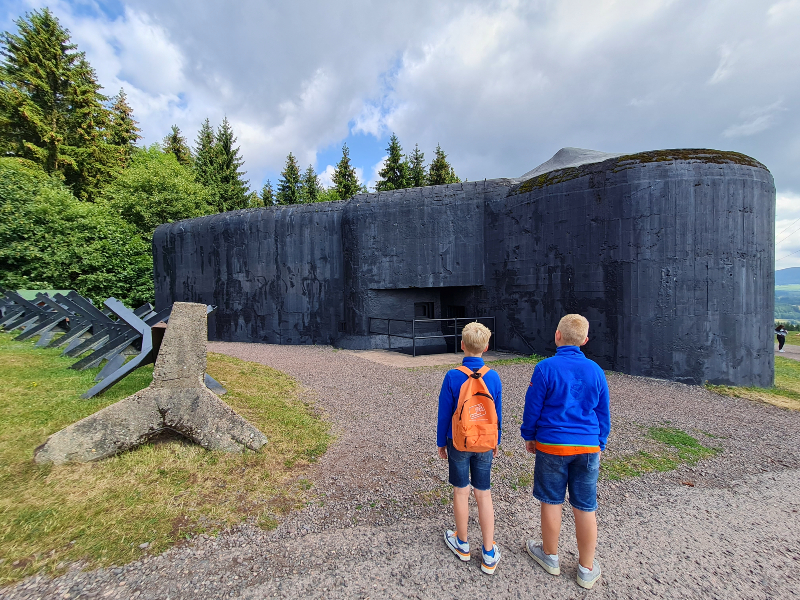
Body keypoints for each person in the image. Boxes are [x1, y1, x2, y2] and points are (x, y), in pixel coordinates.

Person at [520, 314, 610, 589]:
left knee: (551, 500)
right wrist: (600, 441)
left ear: (557, 336)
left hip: (552, 443)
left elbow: (533, 406)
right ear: (585, 340)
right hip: (587, 445)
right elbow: (602, 412)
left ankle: (550, 555)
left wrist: (529, 435)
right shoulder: (596, 370)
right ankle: (586, 567)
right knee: (585, 506)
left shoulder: (545, 368)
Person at [437, 321, 503, 574]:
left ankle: (462, 542)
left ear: (462, 345)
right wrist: (495, 439)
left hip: (459, 441)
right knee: (483, 493)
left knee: (461, 491)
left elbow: (444, 414)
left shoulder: (453, 376)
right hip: (485, 440)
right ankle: (488, 551)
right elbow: (496, 412)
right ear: (486, 347)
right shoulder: (493, 376)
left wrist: (442, 441)